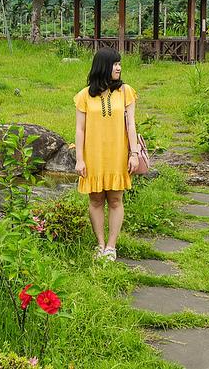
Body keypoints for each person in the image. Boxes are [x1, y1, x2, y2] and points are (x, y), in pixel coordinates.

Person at [74, 47, 140, 261]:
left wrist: (134, 153)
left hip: (117, 155)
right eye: (115, 64)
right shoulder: (84, 96)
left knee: (115, 200)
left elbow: (131, 125)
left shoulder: (125, 92)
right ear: (103, 66)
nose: (119, 68)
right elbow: (80, 130)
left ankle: (111, 246)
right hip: (93, 156)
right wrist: (80, 159)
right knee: (95, 200)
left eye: (119, 64)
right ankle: (100, 244)